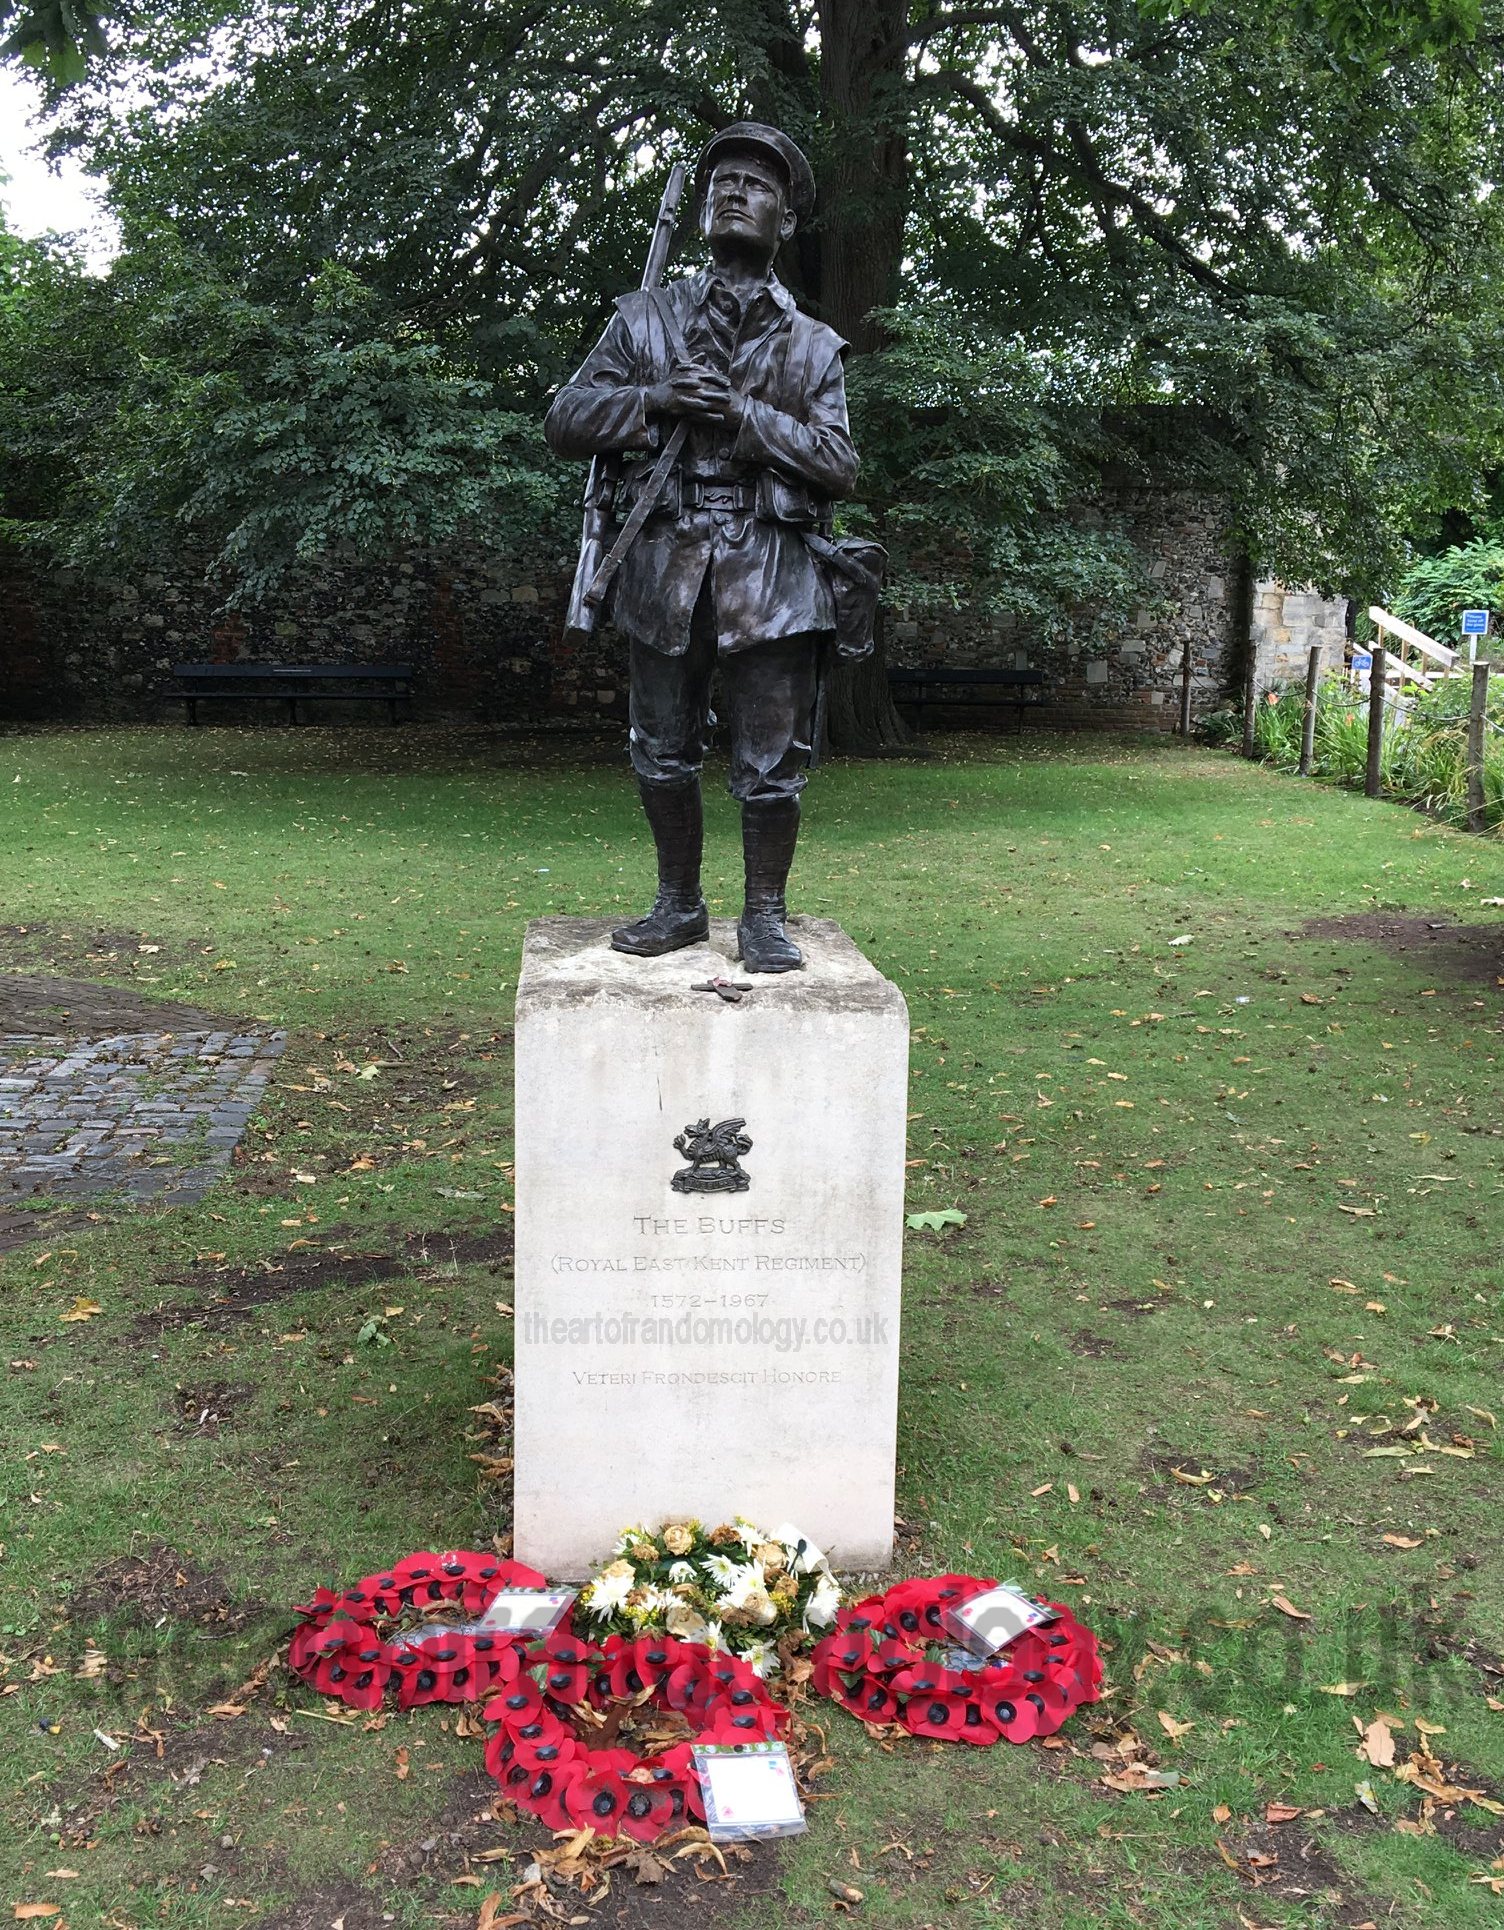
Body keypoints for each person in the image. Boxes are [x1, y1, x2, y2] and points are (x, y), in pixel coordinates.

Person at [544, 122, 858, 972]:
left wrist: (744, 417)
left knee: (771, 758)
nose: (732, 189)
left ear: (784, 221)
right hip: (665, 561)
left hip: (772, 567)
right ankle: (678, 904)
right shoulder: (644, 320)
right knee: (660, 742)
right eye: (722, 178)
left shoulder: (813, 345)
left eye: (756, 183)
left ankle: (764, 916)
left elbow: (839, 463)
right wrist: (652, 399)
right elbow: (565, 419)